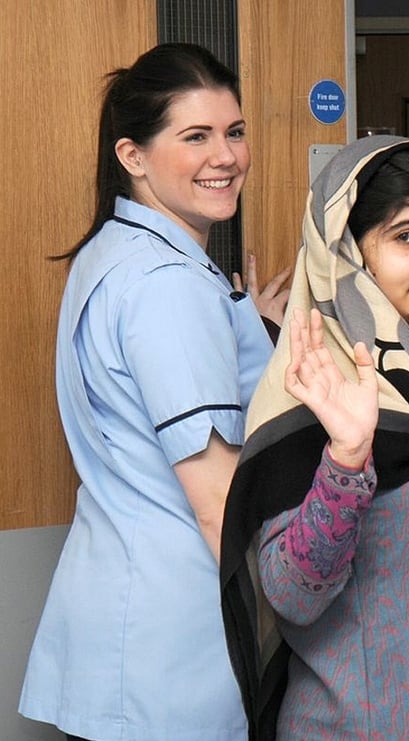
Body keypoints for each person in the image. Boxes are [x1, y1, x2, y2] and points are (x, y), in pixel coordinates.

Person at [19, 43, 288, 741]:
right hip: (168, 658)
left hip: (119, 635)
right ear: (133, 155)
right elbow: (218, 503)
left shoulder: (114, 254)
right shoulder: (167, 284)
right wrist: (313, 602)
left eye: (234, 132)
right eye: (194, 136)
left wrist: (245, 326)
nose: (224, 156)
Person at [220, 136, 409, 740]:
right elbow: (291, 595)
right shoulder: (314, 388)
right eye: (408, 235)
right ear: (347, 253)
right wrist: (346, 460)